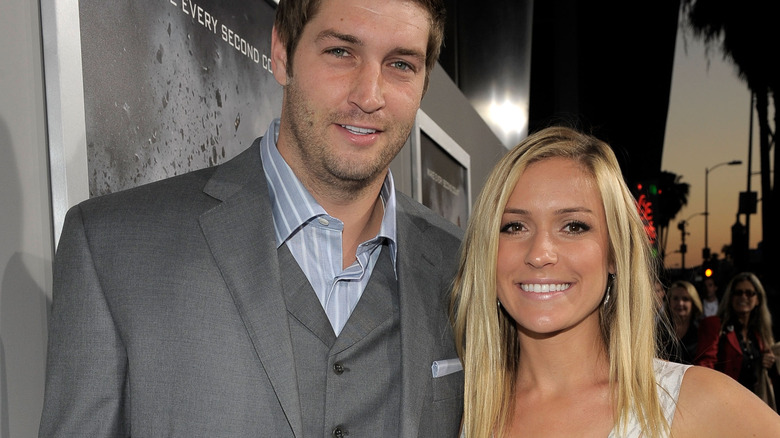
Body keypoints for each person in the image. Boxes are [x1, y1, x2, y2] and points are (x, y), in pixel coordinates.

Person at [39, 0, 464, 436]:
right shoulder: (113, 245)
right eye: (341, 52)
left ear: (424, 82)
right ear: (281, 53)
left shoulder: (461, 268)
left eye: (400, 64)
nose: (370, 95)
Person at [450, 126, 780, 437]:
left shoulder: (690, 401)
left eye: (574, 226)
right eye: (514, 227)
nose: (539, 253)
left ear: (614, 255)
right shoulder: (463, 411)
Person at [697, 272, 778, 410]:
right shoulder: (715, 325)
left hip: (756, 406)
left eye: (749, 293)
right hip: (725, 406)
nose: (743, 297)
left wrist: (767, 362)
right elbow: (704, 367)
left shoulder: (760, 333)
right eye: (738, 293)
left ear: (758, 299)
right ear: (730, 297)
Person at [663, 280, 703, 364]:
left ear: (693, 303)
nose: (680, 303)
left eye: (685, 299)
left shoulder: (701, 330)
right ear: (669, 302)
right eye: (675, 298)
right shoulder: (660, 329)